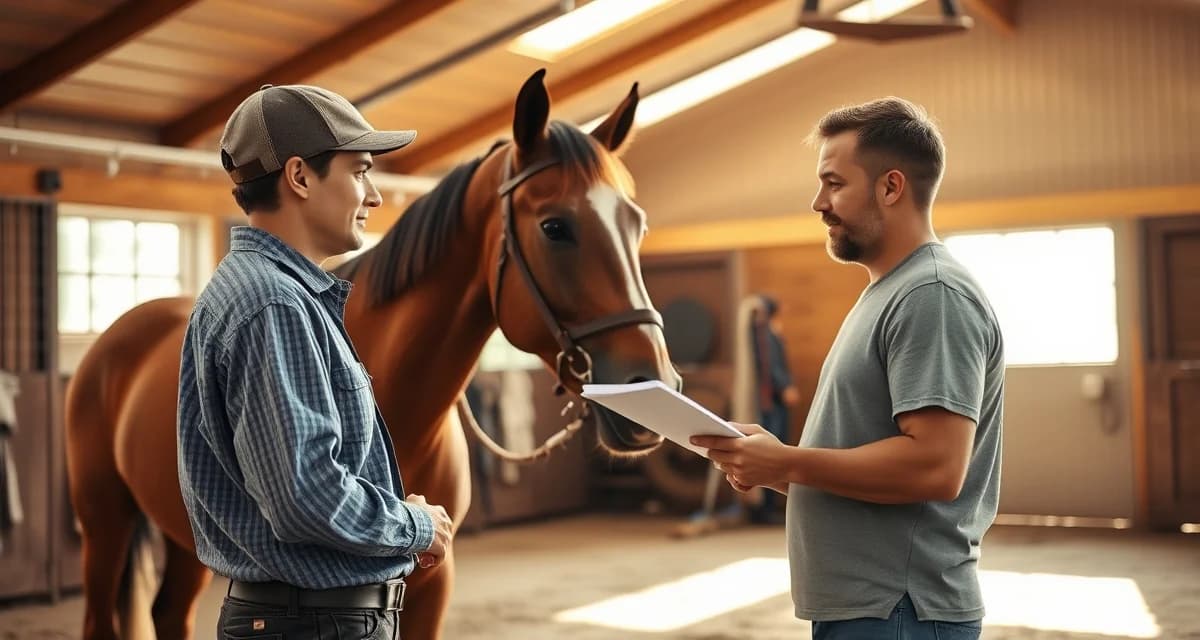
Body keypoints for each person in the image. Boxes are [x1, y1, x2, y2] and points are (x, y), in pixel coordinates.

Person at [692, 97, 1004, 639]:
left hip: (900, 610)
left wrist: (788, 461)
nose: (818, 202)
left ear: (890, 187)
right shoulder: (889, 292)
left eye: (833, 183)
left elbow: (935, 466)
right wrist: (775, 464)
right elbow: (866, 457)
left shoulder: (931, 294)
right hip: (872, 608)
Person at [177, 84, 453, 639]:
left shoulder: (272, 294)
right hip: (313, 623)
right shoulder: (273, 304)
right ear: (300, 177)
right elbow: (305, 496)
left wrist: (386, 511)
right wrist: (414, 525)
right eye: (359, 171)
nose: (373, 195)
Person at [747, 295, 800, 524]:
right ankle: (764, 510)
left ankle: (767, 507)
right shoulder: (765, 336)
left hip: (773, 400)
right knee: (771, 450)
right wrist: (785, 386)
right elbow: (772, 366)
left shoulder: (768, 333)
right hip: (773, 401)